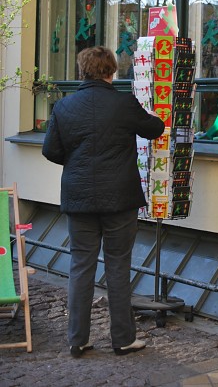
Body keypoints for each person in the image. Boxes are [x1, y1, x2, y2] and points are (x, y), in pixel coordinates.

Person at [42, 46, 165, 358]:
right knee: (118, 267)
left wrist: (78, 162)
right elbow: (154, 129)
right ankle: (123, 339)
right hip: (119, 198)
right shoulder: (123, 102)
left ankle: (77, 340)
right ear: (112, 71)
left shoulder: (64, 107)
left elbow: (50, 151)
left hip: (78, 196)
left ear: (82, 71)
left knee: (80, 266)